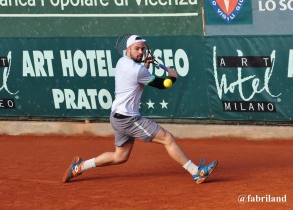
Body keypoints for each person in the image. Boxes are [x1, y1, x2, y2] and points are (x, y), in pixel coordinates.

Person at [62, 35, 218, 184]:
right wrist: (173, 76)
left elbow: (136, 80)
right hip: (128, 119)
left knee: (120, 156)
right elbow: (163, 85)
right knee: (168, 139)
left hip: (117, 117)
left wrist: (146, 66)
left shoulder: (123, 62)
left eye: (143, 49)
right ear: (128, 49)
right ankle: (196, 171)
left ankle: (79, 167)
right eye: (137, 49)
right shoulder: (137, 70)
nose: (141, 52)